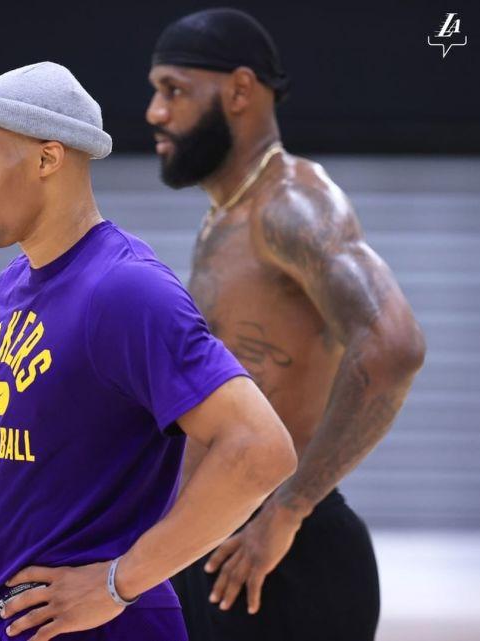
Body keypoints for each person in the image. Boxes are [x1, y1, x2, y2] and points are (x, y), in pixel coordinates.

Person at [0, 61, 298, 641]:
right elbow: (30, 433)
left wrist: (118, 583)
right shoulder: (14, 284)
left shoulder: (125, 290)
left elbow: (261, 450)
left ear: (47, 159)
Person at [146, 8, 426, 641]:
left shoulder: (292, 205)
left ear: (240, 90)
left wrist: (290, 508)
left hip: (280, 563)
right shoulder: (229, 213)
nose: (155, 112)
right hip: (220, 548)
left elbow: (394, 346)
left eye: (174, 90)